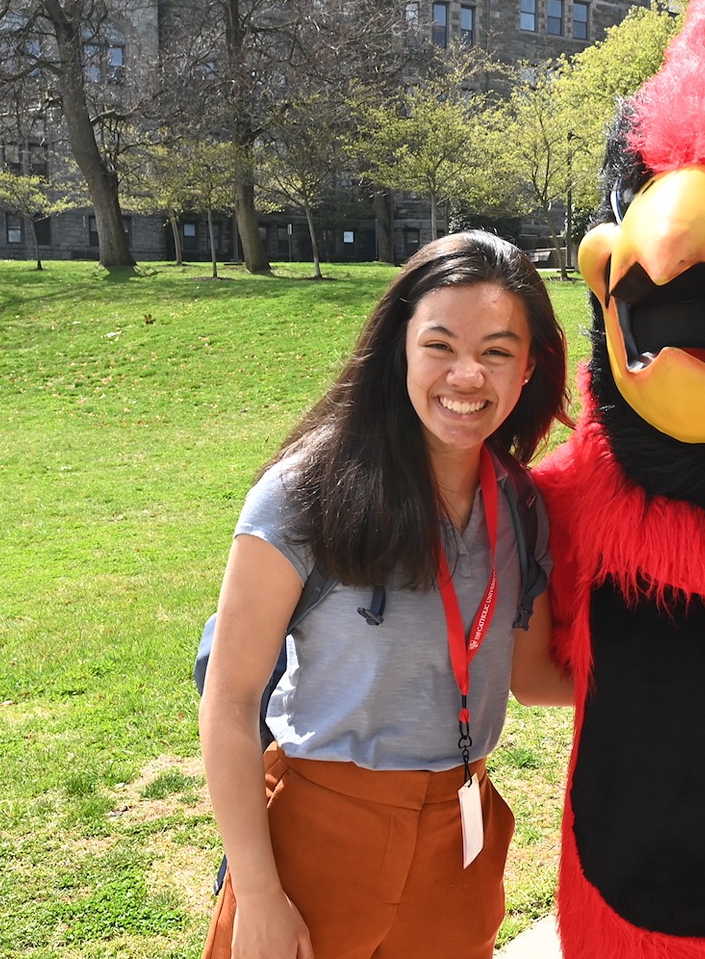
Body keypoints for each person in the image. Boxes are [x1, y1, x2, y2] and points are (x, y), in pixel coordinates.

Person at [199, 232, 572, 959]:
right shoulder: (308, 492)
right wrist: (261, 896)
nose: (467, 376)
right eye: (440, 345)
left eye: (497, 351)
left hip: (459, 844)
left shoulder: (522, 507)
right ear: (400, 345)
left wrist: (686, 680)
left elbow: (532, 679)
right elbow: (230, 700)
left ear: (529, 367)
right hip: (318, 837)